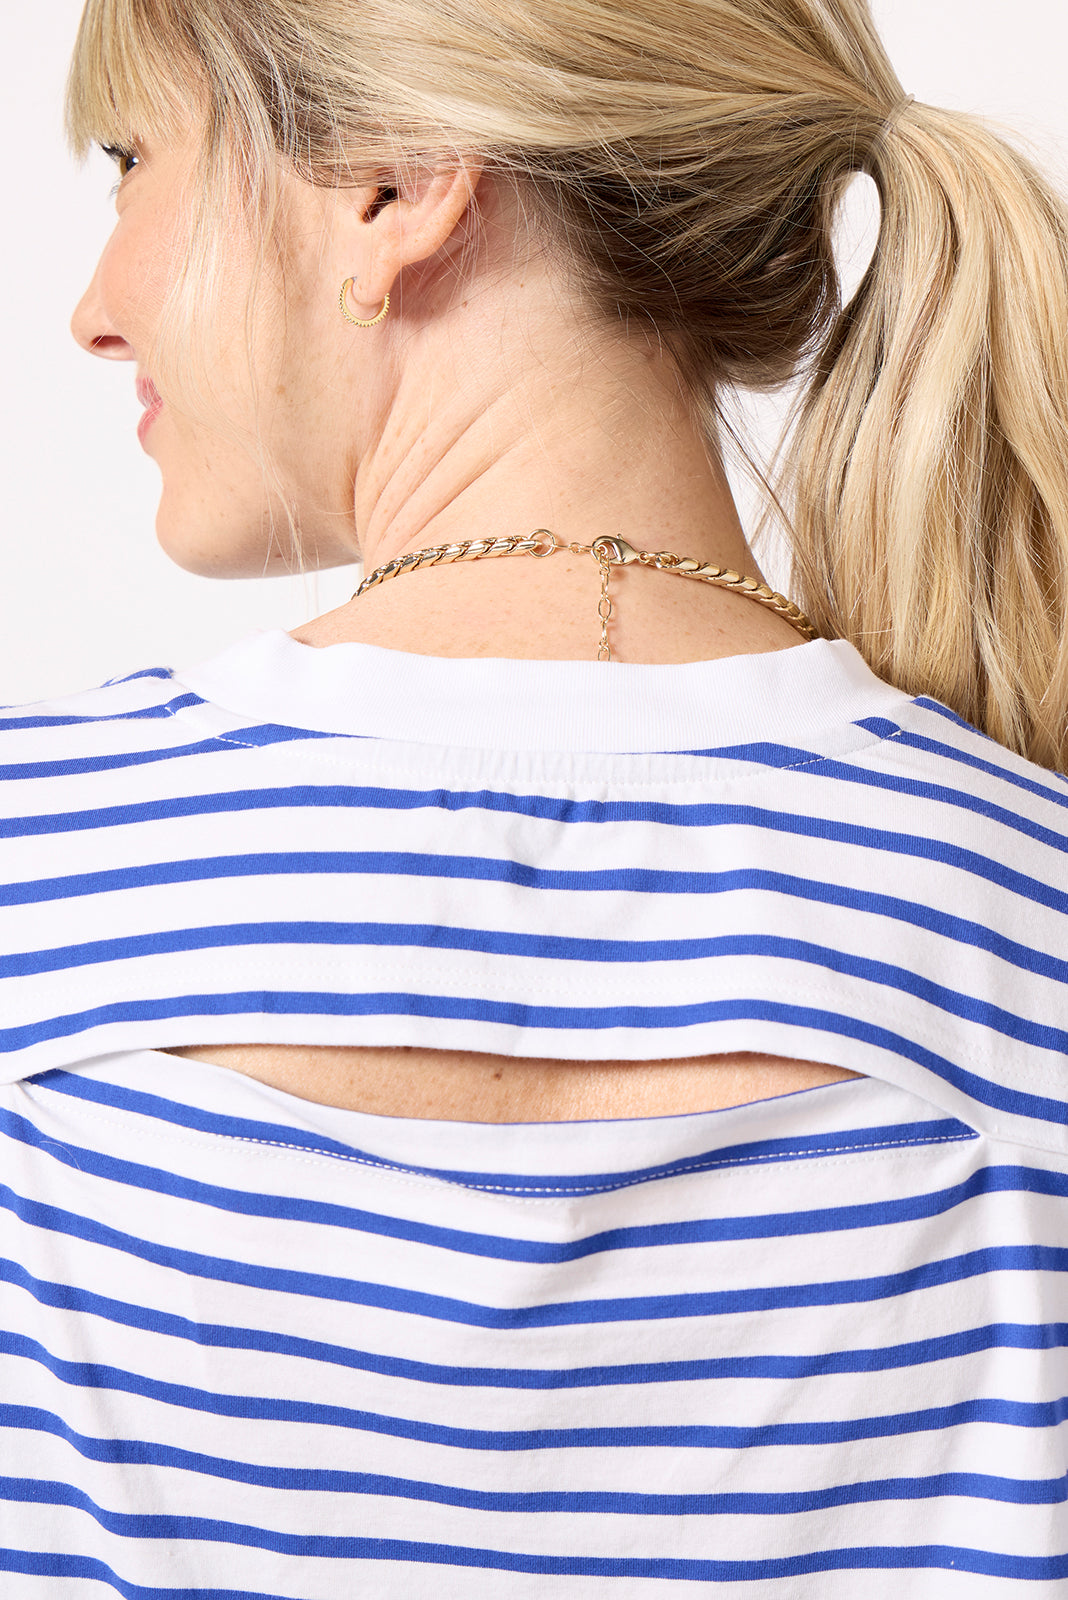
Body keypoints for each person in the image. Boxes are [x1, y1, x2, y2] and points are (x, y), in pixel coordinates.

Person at [2, 0, 1067, 1592]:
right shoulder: (1034, 906)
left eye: (132, 159)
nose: (94, 311)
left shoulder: (33, 868)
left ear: (396, 181)